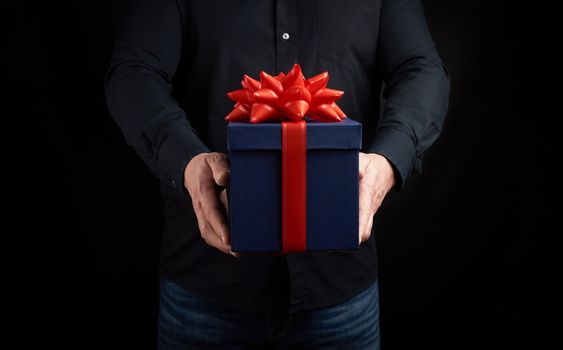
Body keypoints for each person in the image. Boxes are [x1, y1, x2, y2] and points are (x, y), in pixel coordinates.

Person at [105, 0, 450, 348]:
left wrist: (388, 161)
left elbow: (422, 68)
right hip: (204, 293)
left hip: (342, 296)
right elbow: (133, 71)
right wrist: (187, 163)